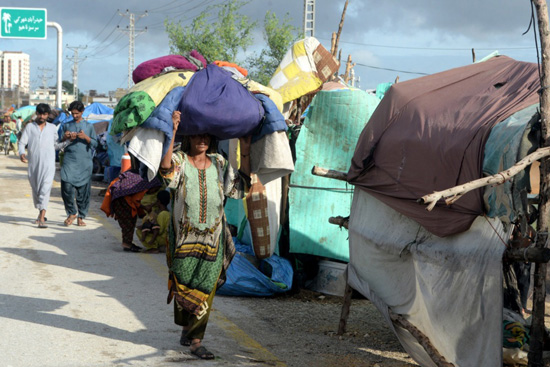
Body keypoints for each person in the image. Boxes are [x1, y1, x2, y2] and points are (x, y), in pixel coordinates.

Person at [159, 110, 251, 360]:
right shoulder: (179, 159)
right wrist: (173, 129)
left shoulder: (219, 163)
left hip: (212, 239)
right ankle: (187, 328)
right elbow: (166, 170)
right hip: (183, 239)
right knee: (183, 284)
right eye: (197, 134)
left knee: (206, 288)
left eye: (206, 135)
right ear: (189, 137)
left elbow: (240, 186)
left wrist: (245, 148)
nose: (202, 139)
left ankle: (197, 341)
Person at [18, 103, 69, 228]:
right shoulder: (30, 127)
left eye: (44, 114)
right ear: (37, 113)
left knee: (45, 189)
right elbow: (22, 143)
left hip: (48, 164)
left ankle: (42, 218)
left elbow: (56, 145)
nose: (42, 116)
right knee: (36, 190)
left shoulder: (52, 128)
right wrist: (22, 154)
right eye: (40, 114)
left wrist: (67, 142)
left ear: (48, 115)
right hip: (33, 165)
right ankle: (40, 210)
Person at [100, 170, 162, 253]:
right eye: (155, 189)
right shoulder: (144, 186)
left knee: (129, 221)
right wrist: (145, 208)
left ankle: (127, 242)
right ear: (153, 185)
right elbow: (135, 200)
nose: (153, 192)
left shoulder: (143, 182)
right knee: (128, 221)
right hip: (121, 200)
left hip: (121, 197)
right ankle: (126, 244)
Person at [60, 101, 98, 227]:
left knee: (83, 191)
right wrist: (65, 137)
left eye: (77, 113)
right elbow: (59, 142)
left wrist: (85, 137)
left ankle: (81, 216)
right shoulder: (66, 125)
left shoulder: (89, 126)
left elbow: (95, 144)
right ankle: (71, 213)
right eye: (72, 113)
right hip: (69, 161)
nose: (74, 116)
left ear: (82, 112)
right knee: (66, 186)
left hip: (84, 163)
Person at [136, 189, 171, 253]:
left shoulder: (163, 214)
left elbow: (159, 231)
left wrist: (146, 227)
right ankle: (157, 246)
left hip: (163, 238)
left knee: (139, 232)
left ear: (158, 201)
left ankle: (153, 247)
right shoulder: (167, 213)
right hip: (165, 237)